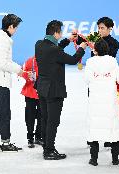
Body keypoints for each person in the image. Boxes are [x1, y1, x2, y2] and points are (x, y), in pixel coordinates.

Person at [35, 20, 87, 160]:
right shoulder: (54, 50)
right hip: (53, 90)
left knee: (45, 119)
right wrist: (82, 47)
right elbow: (72, 60)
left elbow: (55, 49)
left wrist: (68, 40)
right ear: (56, 33)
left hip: (42, 88)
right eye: (61, 32)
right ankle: (49, 151)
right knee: (53, 121)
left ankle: (46, 146)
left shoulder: (39, 44)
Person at [84, 39, 119, 166]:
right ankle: (115, 159)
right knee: (113, 130)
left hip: (95, 102)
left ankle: (94, 160)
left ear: (95, 50)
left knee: (94, 130)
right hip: (110, 102)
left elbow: (87, 79)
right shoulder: (112, 61)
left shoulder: (90, 62)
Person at [0, 14, 23, 152]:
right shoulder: (4, 40)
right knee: (4, 113)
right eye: (16, 27)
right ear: (11, 26)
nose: (17, 30)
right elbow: (2, 63)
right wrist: (19, 70)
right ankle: (6, 143)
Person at [21, 56, 43, 148]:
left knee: (42, 116)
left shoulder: (48, 59)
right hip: (30, 92)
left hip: (43, 93)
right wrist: (27, 75)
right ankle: (30, 138)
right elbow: (21, 72)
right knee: (30, 117)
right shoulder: (30, 61)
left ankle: (38, 137)